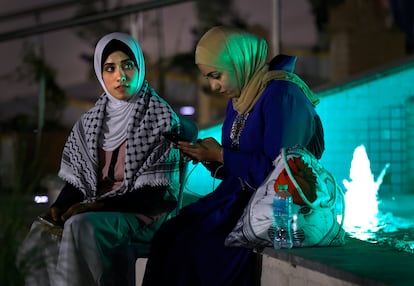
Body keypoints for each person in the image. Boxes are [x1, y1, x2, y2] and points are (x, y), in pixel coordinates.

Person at [142, 26, 325, 286]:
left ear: (238, 62)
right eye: (208, 77)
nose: (213, 86)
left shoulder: (283, 95)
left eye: (216, 75)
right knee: (169, 234)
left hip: (273, 210)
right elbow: (236, 167)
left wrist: (221, 154)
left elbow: (281, 173)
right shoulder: (242, 97)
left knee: (193, 246)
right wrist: (210, 157)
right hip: (235, 202)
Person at [17, 32, 185, 286]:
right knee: (40, 234)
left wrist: (97, 207)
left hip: (144, 214)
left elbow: (157, 195)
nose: (120, 76)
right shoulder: (91, 121)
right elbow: (78, 181)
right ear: (100, 73)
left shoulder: (160, 117)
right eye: (110, 68)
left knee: (80, 226)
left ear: (140, 67)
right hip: (96, 209)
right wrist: (59, 207)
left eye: (128, 65)